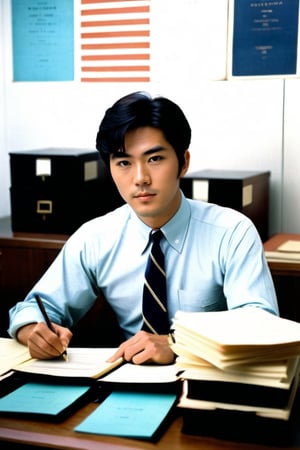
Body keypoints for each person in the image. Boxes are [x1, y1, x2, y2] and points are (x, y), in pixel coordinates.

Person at [8, 91, 279, 365]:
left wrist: (177, 344)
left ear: (183, 162)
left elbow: (260, 322)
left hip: (209, 380)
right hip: (129, 380)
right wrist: (34, 331)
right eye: (124, 162)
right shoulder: (96, 237)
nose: (140, 178)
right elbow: (34, 309)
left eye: (155, 159)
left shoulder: (232, 232)